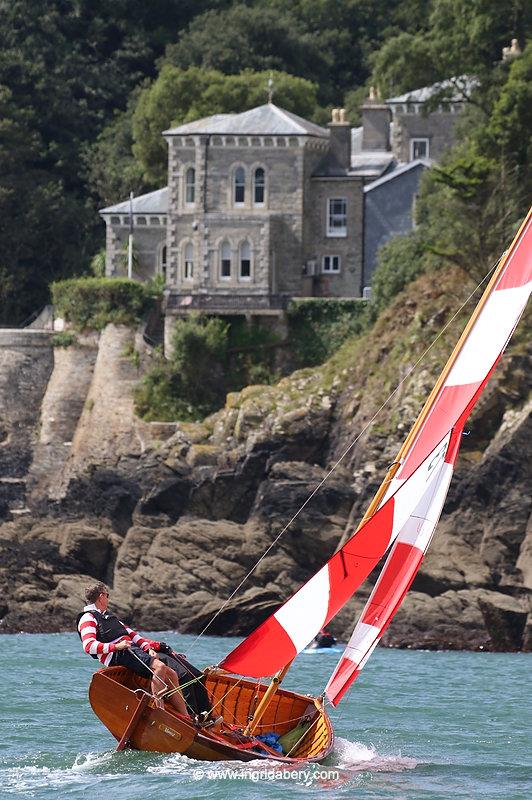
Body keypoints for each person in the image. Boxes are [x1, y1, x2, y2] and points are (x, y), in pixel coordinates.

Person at [77, 582, 200, 719]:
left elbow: (134, 636)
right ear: (101, 597)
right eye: (107, 595)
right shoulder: (87, 617)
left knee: (171, 674)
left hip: (130, 649)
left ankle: (186, 717)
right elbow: (89, 646)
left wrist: (148, 648)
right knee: (159, 667)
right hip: (118, 654)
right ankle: (159, 711)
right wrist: (116, 647)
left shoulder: (109, 616)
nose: (108, 599)